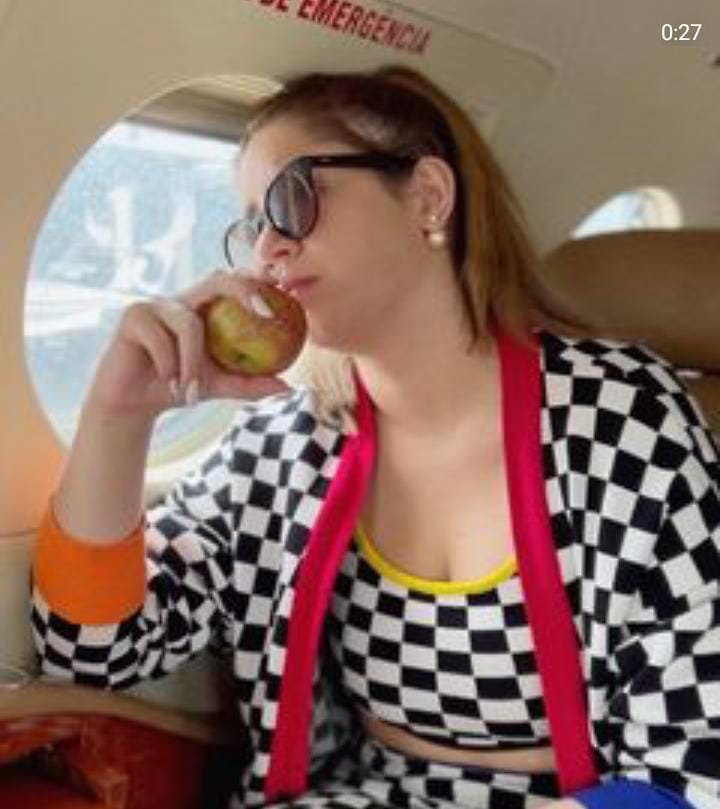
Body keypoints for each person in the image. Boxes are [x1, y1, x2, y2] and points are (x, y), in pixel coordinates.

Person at [31, 65, 720, 809]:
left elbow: (693, 768)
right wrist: (119, 414)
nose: (268, 248)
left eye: (292, 200)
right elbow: (93, 651)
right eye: (252, 224)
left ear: (427, 196)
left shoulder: (623, 416)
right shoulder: (288, 442)